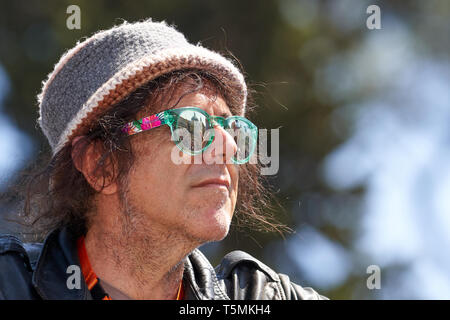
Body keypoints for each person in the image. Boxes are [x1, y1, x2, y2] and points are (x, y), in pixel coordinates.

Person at [0, 18, 326, 300]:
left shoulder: (256, 295)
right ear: (100, 164)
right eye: (191, 126)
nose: (227, 146)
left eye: (233, 128)